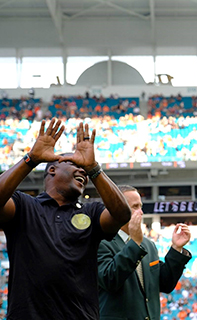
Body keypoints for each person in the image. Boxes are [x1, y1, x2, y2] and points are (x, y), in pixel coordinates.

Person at [0, 118, 131, 319]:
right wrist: (31, 159)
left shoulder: (91, 213)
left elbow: (122, 214)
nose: (82, 170)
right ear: (52, 169)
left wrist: (94, 168)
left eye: (85, 169)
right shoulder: (24, 206)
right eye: (73, 163)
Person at [97, 185, 192, 320]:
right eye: (135, 207)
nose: (141, 212)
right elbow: (110, 280)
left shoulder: (148, 244)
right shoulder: (100, 242)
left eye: (140, 206)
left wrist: (176, 249)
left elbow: (165, 284)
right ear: (115, 209)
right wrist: (134, 244)